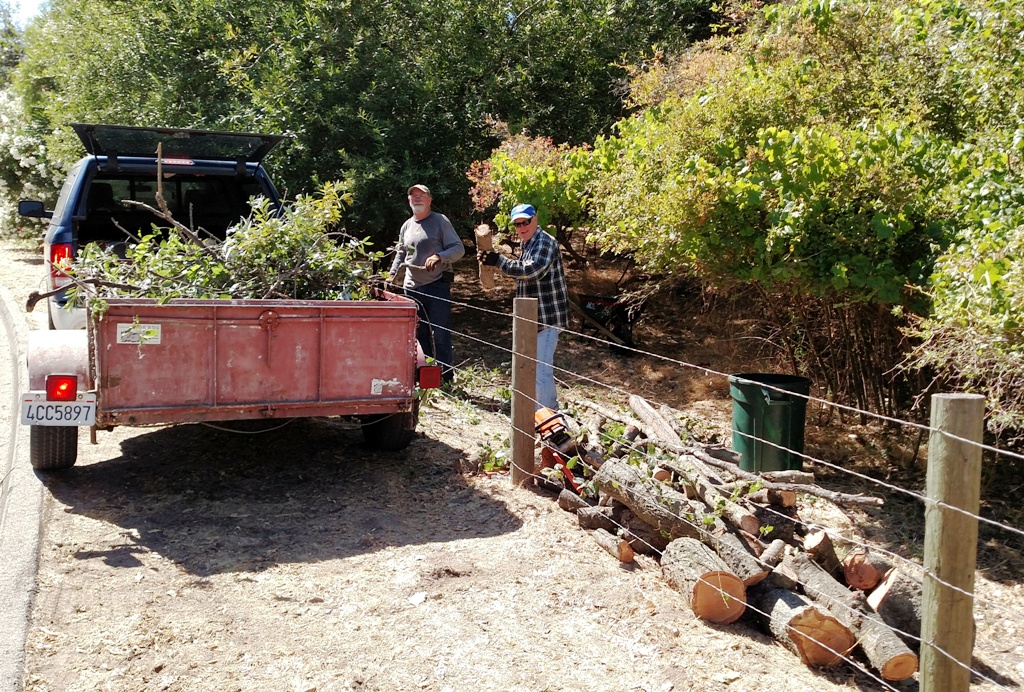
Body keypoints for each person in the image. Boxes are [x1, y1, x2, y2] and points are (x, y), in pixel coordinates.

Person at [478, 203, 569, 410]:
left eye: (525, 222)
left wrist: (499, 260)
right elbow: (522, 275)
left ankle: (548, 423)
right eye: (518, 224)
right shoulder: (527, 243)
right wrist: (494, 261)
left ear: (535, 219)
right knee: (532, 369)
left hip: (546, 317)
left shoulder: (545, 241)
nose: (521, 227)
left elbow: (532, 270)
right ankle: (542, 415)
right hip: (531, 318)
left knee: (540, 371)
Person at [388, 184, 465, 383]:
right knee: (419, 335)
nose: (417, 199)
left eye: (421, 196)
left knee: (440, 334)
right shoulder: (406, 226)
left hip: (437, 285)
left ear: (429, 200)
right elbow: (401, 253)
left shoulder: (440, 221)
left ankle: (445, 378)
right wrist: (391, 276)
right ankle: (426, 378)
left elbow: (458, 249)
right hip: (411, 288)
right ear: (409, 201)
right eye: (413, 196)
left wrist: (440, 256)